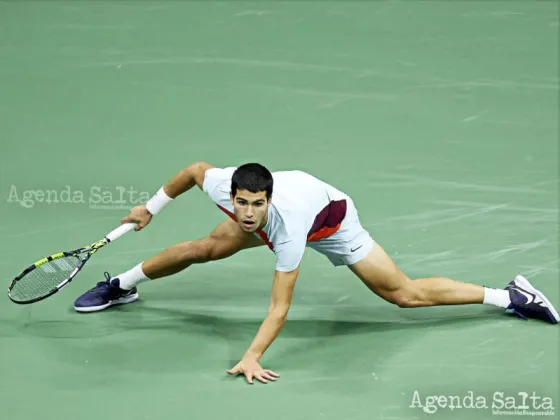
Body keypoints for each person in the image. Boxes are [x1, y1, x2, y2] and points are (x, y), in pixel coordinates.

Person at [74, 162, 559, 384]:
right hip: (291, 211)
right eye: (240, 203)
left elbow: (279, 305)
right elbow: (193, 170)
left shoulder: (286, 229)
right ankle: (121, 285)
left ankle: (510, 295)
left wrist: (251, 356)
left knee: (404, 296)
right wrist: (150, 208)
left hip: (329, 223)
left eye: (254, 205)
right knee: (202, 247)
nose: (244, 213)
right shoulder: (228, 189)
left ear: (266, 201)